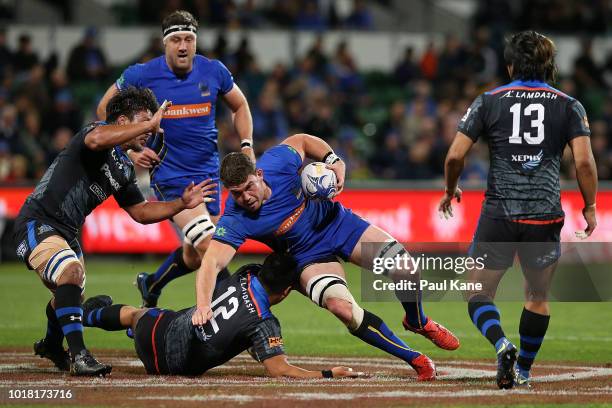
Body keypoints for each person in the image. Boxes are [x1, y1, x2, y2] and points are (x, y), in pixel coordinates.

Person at [191, 133, 462, 381]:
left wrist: (334, 160)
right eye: (236, 193)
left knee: (406, 268)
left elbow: (302, 141)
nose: (245, 198)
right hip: (307, 257)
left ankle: (416, 321)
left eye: (249, 187)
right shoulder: (235, 218)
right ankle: (416, 359)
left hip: (338, 225)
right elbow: (212, 262)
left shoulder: (277, 161)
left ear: (259, 174)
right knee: (342, 308)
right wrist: (203, 305)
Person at [13, 87, 217, 376]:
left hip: (67, 233)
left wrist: (180, 204)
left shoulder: (122, 167)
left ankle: (50, 344)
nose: (151, 129)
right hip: (38, 221)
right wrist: (150, 122)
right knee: (70, 274)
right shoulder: (96, 132)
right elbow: (97, 139)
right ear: (122, 122)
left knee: (67, 297)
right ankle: (80, 356)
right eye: (144, 121)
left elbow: (141, 212)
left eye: (151, 122)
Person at [439, 31, 597, 389]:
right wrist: (589, 207)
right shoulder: (569, 104)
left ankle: (501, 344)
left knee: (477, 291)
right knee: (537, 297)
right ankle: (523, 369)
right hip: (545, 213)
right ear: (549, 66)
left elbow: (454, 155)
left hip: (500, 213)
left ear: (510, 66)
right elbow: (584, 164)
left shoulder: (488, 101)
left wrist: (451, 190)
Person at [96, 10, 254, 308]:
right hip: (171, 178)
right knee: (211, 246)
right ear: (164, 43)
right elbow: (105, 109)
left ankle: (152, 283)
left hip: (209, 175)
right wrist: (131, 147)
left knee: (195, 254)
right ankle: (243, 318)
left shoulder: (214, 71)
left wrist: (246, 144)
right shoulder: (141, 75)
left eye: (189, 39)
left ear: (196, 42)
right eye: (177, 40)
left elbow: (240, 105)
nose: (183, 46)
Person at [82, 253, 361, 379]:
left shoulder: (246, 272)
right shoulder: (265, 323)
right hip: (169, 367)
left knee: (137, 314)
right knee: (153, 316)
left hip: (151, 334)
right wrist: (328, 374)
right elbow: (280, 370)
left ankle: (87, 315)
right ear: (288, 291)